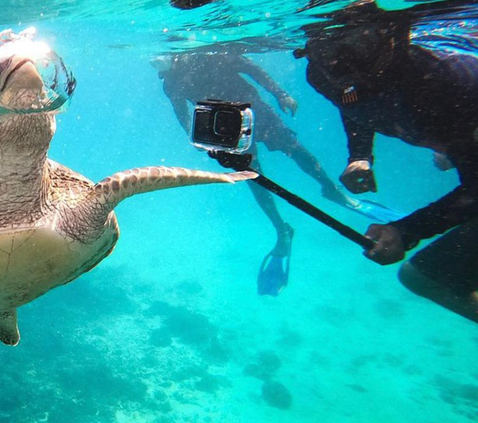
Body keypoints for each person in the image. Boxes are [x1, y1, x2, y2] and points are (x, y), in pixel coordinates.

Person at [298, 0, 478, 322]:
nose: (340, 62)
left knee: (422, 276)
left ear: (394, 34)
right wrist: (360, 156)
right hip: (458, 131)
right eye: (326, 47)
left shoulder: (441, 82)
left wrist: (406, 231)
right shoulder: (323, 74)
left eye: (357, 43)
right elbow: (352, 99)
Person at [154, 46, 359, 296]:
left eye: (160, 60)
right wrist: (194, 136)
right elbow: (180, 111)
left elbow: (254, 69)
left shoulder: (210, 54)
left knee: (293, 148)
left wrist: (281, 94)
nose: (157, 65)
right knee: (253, 176)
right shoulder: (171, 82)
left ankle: (330, 189)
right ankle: (281, 229)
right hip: (223, 123)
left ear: (175, 54)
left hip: (254, 109)